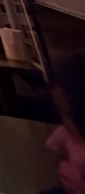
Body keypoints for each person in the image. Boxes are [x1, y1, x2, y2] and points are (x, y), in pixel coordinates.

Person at [45, 52, 85, 194]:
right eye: (61, 112)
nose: (64, 123)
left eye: (68, 115)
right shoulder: (69, 135)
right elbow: (54, 148)